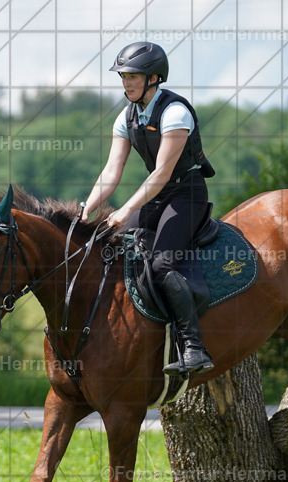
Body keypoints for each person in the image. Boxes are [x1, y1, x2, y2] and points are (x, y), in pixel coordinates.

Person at [83, 41, 216, 375]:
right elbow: (112, 172)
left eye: (133, 76)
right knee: (109, 247)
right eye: (123, 76)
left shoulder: (175, 113)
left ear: (155, 78)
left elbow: (161, 173)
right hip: (156, 197)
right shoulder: (126, 117)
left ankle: (194, 348)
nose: (126, 82)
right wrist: (86, 210)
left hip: (186, 195)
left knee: (160, 265)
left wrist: (125, 209)